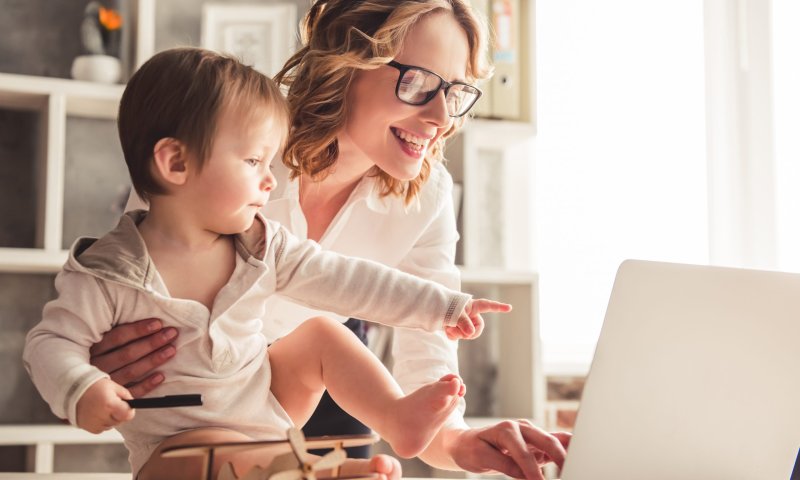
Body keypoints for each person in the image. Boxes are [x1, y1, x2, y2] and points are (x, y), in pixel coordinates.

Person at [92, 1, 571, 479]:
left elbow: (427, 359)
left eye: (455, 91)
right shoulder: (231, 143)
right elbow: (126, 277)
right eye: (418, 83)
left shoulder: (428, 197)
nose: (441, 117)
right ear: (348, 63)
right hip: (200, 389)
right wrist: (92, 356)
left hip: (327, 376)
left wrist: (460, 441)